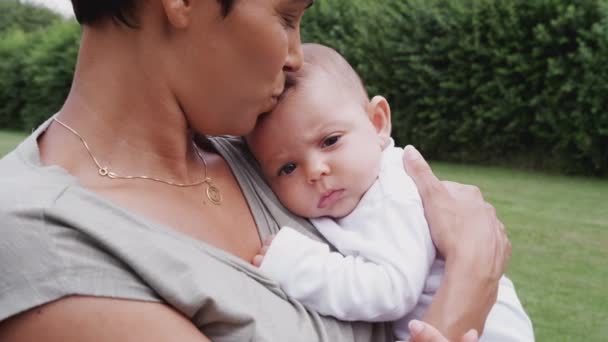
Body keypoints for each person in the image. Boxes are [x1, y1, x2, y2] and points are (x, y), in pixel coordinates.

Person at [0, 1, 511, 341]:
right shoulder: (43, 240)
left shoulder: (263, 149)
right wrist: (467, 286)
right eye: (287, 17)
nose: (295, 59)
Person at [246, 43, 534, 341]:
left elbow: (392, 290)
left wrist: (297, 266)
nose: (316, 170)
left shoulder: (392, 194)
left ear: (378, 122)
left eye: (330, 141)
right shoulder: (353, 194)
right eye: (288, 168)